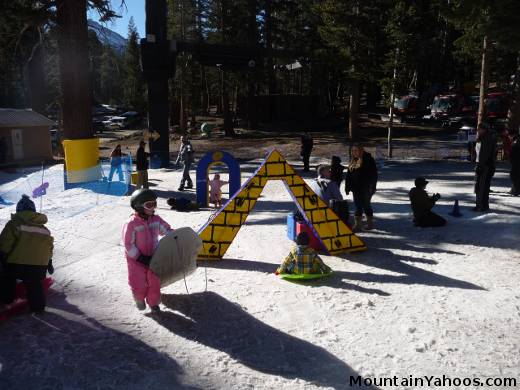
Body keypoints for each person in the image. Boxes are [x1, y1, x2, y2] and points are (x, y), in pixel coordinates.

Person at [0, 195, 54, 313]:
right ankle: (38, 308)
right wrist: (49, 262)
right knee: (34, 283)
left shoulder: (14, 224)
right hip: (39, 267)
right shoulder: (45, 230)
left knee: (6, 276)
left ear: (19, 210)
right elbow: (49, 248)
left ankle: (7, 299)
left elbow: (5, 242)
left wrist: (2, 255)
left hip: (16, 265)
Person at [122, 189, 172, 313]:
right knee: (138, 282)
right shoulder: (131, 224)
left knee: (154, 282)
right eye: (149, 205)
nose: (153, 208)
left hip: (153, 257)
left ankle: (153, 302)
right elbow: (128, 244)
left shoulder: (156, 220)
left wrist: (175, 236)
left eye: (155, 204)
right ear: (139, 206)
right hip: (136, 260)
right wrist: (139, 257)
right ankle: (139, 298)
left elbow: (166, 230)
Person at [344, 144, 378, 231]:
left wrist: (372, 187)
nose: (354, 152)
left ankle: (370, 224)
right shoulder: (353, 161)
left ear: (361, 150)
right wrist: (347, 187)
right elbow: (349, 175)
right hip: (356, 188)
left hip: (366, 188)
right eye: (352, 151)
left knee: (366, 205)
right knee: (358, 206)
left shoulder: (368, 160)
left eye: (356, 150)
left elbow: (374, 175)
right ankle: (358, 225)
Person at [473, 124, 497, 212]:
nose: (477, 131)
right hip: (484, 164)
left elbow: (484, 154)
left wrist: (481, 165)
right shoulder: (484, 137)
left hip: (484, 165)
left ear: (484, 129)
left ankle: (480, 205)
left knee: (480, 186)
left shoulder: (486, 139)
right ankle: (484, 205)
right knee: (484, 186)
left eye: (479, 129)